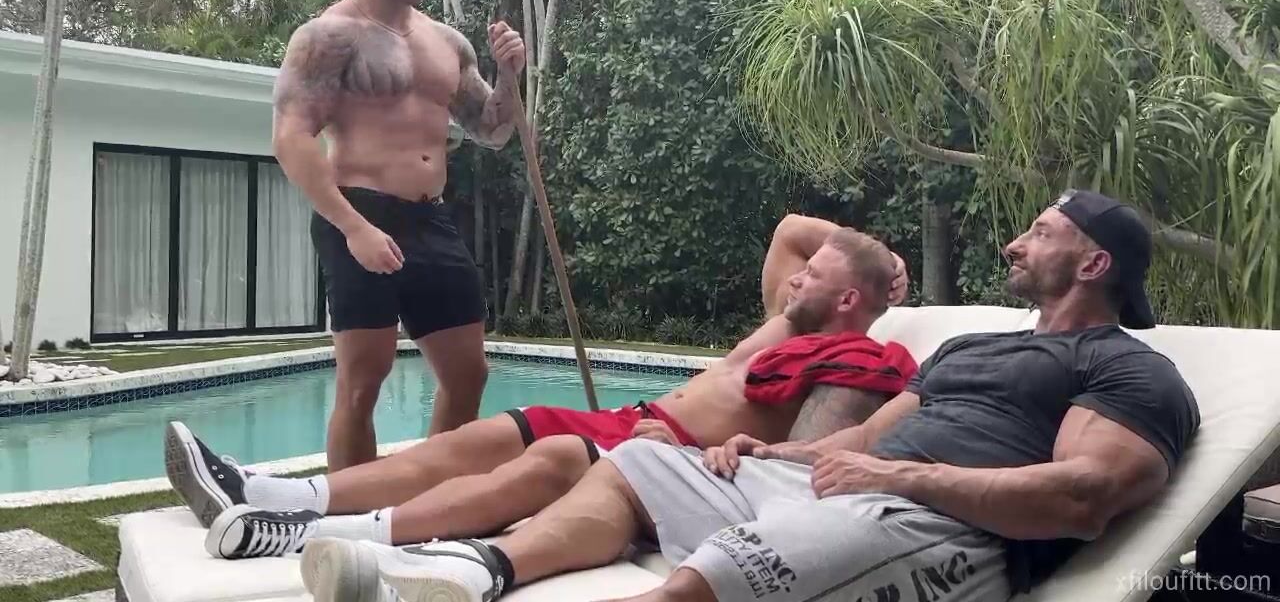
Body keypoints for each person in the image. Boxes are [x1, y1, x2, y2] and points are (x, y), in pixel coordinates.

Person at [296, 189, 1202, 602]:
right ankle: (480, 570)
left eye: (1038, 232)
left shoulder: (1131, 370)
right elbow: (871, 438)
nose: (1013, 243)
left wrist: (903, 478)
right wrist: (773, 452)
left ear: (1093, 263)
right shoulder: (972, 347)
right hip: (846, 486)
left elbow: (1081, 499)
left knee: (710, 576)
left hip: (944, 526)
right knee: (640, 464)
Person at [164, 214, 911, 557]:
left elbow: (795, 460)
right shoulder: (785, 323)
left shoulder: (855, 362)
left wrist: (685, 457)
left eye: (816, 275)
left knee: (533, 461)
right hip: (633, 418)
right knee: (483, 436)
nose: (797, 275)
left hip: (665, 451)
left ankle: (307, 533)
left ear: (848, 300)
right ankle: (266, 492)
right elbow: (788, 229)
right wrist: (876, 254)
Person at [271, 0, 526, 472]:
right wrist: (353, 227)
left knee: (467, 374)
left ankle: (426, 496)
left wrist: (510, 76)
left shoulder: (447, 43)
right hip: (360, 212)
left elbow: (492, 130)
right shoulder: (328, 36)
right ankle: (350, 510)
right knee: (364, 381)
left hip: (431, 217)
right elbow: (291, 139)